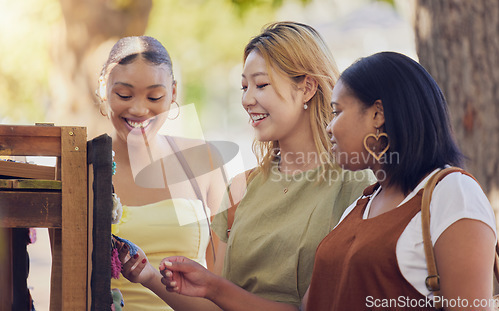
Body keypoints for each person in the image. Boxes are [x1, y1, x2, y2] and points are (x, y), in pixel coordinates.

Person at [159, 51, 497, 311]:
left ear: (378, 114)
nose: (329, 127)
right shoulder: (360, 205)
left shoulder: (451, 193)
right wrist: (211, 287)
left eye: (337, 112)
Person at [119, 22, 374, 310]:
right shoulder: (241, 187)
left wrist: (215, 288)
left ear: (307, 88)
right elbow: (215, 304)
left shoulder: (356, 185)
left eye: (261, 85)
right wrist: (149, 275)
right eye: (244, 86)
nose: (247, 99)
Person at [96, 35, 226, 310]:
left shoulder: (206, 162)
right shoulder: (83, 167)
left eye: (154, 96)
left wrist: (152, 278)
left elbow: (223, 295)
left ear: (174, 92)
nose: (140, 109)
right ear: (102, 89)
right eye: (124, 95)